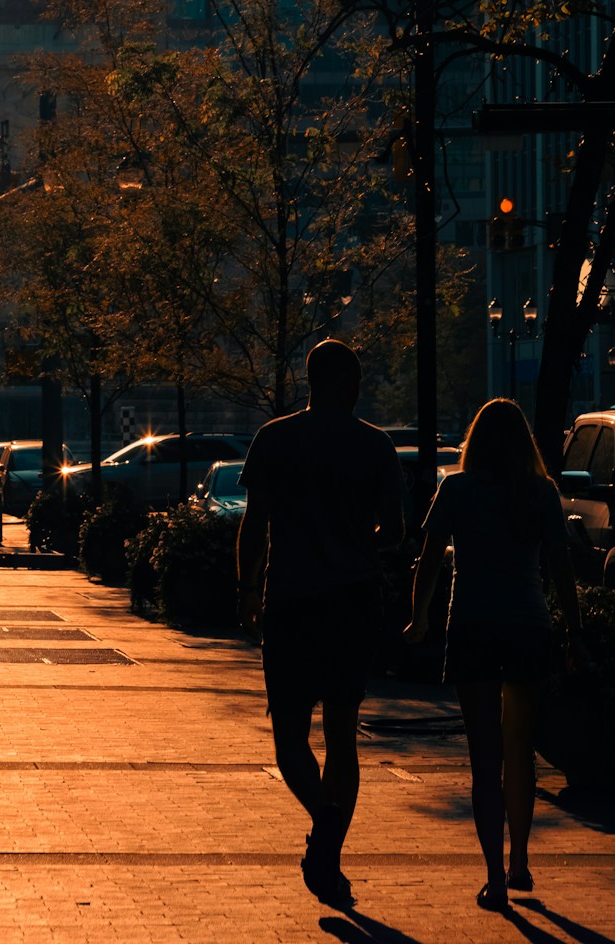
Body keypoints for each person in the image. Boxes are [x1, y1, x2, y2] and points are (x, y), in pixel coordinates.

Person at [236, 339, 404, 906]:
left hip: (291, 601)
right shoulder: (376, 447)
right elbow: (396, 531)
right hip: (354, 602)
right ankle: (330, 842)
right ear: (351, 384)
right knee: (341, 736)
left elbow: (254, 523)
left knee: (289, 740)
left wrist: (247, 589)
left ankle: (324, 825)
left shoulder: (274, 439)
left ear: (309, 381)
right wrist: (360, 540)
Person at [403, 398, 583, 912]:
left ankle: (493, 877)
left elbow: (430, 560)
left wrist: (419, 619)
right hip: (528, 624)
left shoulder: (456, 489)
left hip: (474, 625)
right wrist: (574, 629)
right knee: (520, 750)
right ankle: (521, 860)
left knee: (485, 758)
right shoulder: (540, 492)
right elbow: (562, 566)